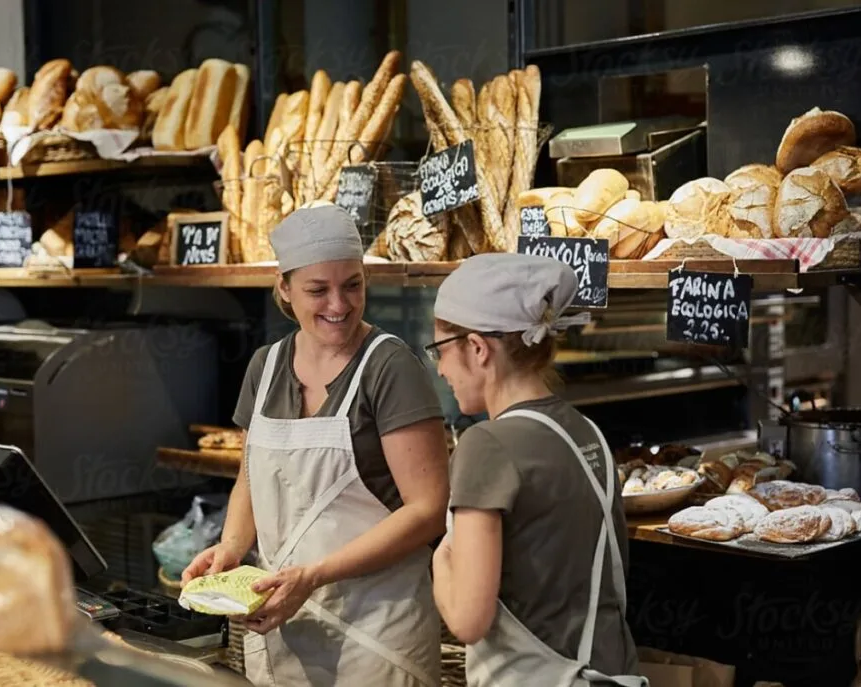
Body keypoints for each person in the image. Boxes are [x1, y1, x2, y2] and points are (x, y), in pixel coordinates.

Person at [182, 204, 448, 687]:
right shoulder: (265, 367)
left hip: (377, 637)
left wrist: (315, 575)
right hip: (281, 626)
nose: (339, 305)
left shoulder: (390, 367)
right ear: (284, 288)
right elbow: (250, 477)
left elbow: (428, 510)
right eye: (318, 290)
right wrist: (231, 549)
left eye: (353, 285)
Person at [427, 253, 645, 687]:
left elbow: (468, 620)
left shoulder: (486, 444)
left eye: (441, 350)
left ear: (477, 348)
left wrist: (440, 560)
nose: (441, 368)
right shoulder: (586, 431)